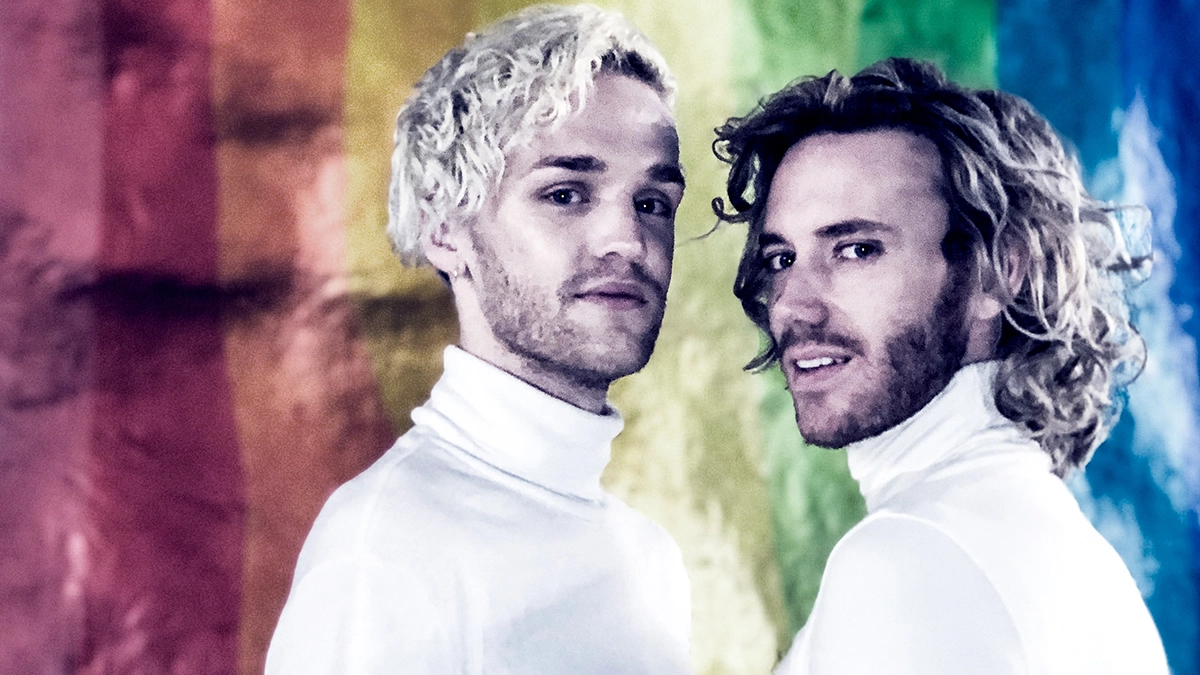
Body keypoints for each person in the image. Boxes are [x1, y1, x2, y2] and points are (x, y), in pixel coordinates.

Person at [265, 5, 692, 673]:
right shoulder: (387, 548)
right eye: (566, 193)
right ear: (446, 228)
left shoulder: (651, 559)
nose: (628, 241)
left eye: (651, 201)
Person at [714, 58, 1169, 674]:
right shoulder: (1062, 552)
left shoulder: (910, 557)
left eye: (854, 250)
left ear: (997, 271)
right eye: (780, 258)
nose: (792, 302)